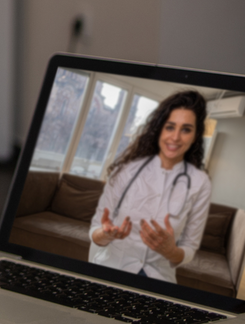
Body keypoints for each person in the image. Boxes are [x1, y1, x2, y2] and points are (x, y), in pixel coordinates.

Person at [88, 90, 212, 284]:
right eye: (170, 127)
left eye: (186, 129)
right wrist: (105, 234)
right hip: (112, 270)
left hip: (158, 279)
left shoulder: (200, 182)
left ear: (195, 135)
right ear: (159, 129)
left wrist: (172, 252)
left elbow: (189, 248)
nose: (176, 137)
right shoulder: (126, 171)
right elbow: (95, 231)